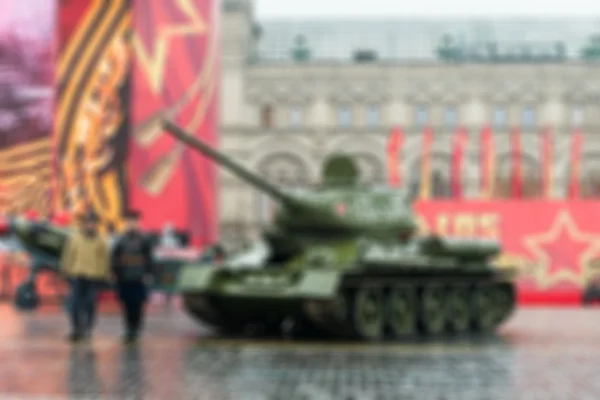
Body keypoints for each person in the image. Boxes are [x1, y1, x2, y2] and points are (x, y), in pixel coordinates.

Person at [60, 211, 110, 342]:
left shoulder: (101, 241)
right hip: (77, 275)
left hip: (94, 277)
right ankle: (76, 329)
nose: (90, 226)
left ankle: (87, 329)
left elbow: (104, 259)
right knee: (75, 304)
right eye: (88, 223)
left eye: (93, 223)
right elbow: (68, 255)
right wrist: (65, 270)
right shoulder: (75, 238)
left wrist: (104, 274)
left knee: (90, 303)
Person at [111, 210, 154, 343]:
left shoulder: (144, 240)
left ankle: (136, 329)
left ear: (138, 223)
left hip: (139, 277)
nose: (131, 224)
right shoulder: (121, 240)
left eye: (134, 221)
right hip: (124, 277)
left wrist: (149, 273)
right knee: (126, 304)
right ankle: (129, 329)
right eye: (129, 222)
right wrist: (114, 273)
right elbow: (115, 258)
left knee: (138, 304)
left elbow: (149, 259)